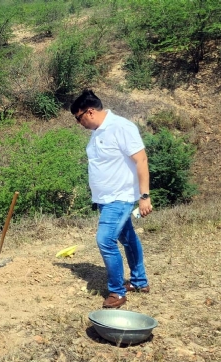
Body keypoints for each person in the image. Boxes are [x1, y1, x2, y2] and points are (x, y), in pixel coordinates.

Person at [71, 89, 153, 308]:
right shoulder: (97, 132)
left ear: (89, 112)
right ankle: (139, 281)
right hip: (105, 198)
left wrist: (144, 196)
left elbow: (141, 160)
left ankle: (117, 292)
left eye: (79, 118)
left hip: (120, 197)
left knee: (105, 240)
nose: (79, 123)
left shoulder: (121, 127)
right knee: (127, 238)